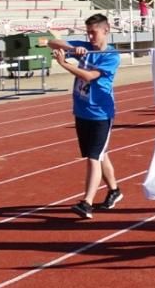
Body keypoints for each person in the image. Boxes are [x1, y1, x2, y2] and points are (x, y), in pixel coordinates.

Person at [49, 14, 123, 219]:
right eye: (88, 32)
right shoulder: (84, 47)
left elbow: (89, 76)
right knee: (100, 154)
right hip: (81, 111)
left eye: (94, 32)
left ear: (106, 30)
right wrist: (72, 49)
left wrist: (65, 64)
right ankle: (115, 190)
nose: (90, 36)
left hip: (100, 113)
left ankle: (87, 202)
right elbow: (51, 42)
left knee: (93, 157)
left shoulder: (111, 56)